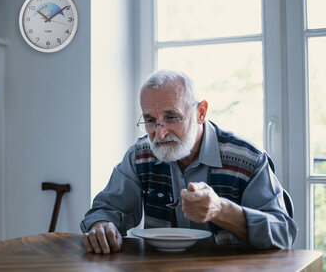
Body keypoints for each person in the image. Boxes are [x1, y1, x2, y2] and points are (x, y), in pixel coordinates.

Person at [80, 69, 298, 254]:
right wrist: (101, 225)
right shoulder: (140, 155)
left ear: (201, 112)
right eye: (150, 120)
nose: (160, 133)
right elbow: (105, 209)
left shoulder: (247, 160)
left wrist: (220, 209)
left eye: (171, 117)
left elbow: (283, 233)